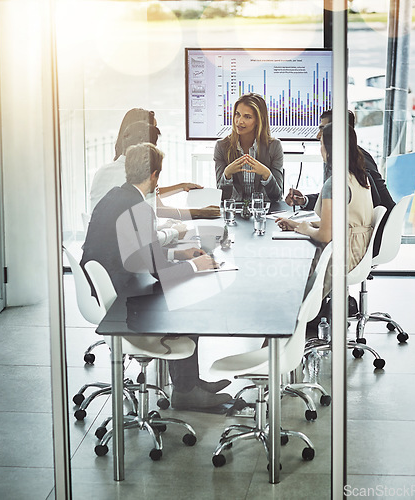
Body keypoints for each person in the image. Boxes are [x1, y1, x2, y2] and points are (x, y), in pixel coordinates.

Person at [81, 142, 232, 410]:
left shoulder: (115, 197)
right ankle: (186, 391)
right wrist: (197, 265)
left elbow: (141, 256)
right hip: (123, 298)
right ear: (154, 176)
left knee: (182, 290)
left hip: (109, 287)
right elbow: (159, 274)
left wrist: (179, 256)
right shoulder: (139, 208)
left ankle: (190, 382)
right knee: (188, 299)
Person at [277, 123, 374, 298]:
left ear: (329, 148)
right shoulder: (358, 176)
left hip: (344, 253)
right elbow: (339, 222)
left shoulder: (335, 183)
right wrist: (296, 224)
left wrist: (305, 229)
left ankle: (306, 321)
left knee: (291, 273)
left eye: (321, 143)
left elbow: (325, 235)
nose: (319, 148)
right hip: (359, 249)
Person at [90, 107, 220, 219]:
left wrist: (181, 187)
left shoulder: (103, 171)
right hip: (126, 244)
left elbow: (145, 196)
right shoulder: (138, 175)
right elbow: (159, 210)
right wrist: (201, 212)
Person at [214, 92, 284, 202]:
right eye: (237, 114)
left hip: (263, 212)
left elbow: (277, 197)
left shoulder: (274, 146)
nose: (239, 121)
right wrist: (227, 174)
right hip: (235, 211)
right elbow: (222, 197)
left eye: (247, 117)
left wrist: (266, 174)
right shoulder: (221, 146)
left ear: (258, 121)